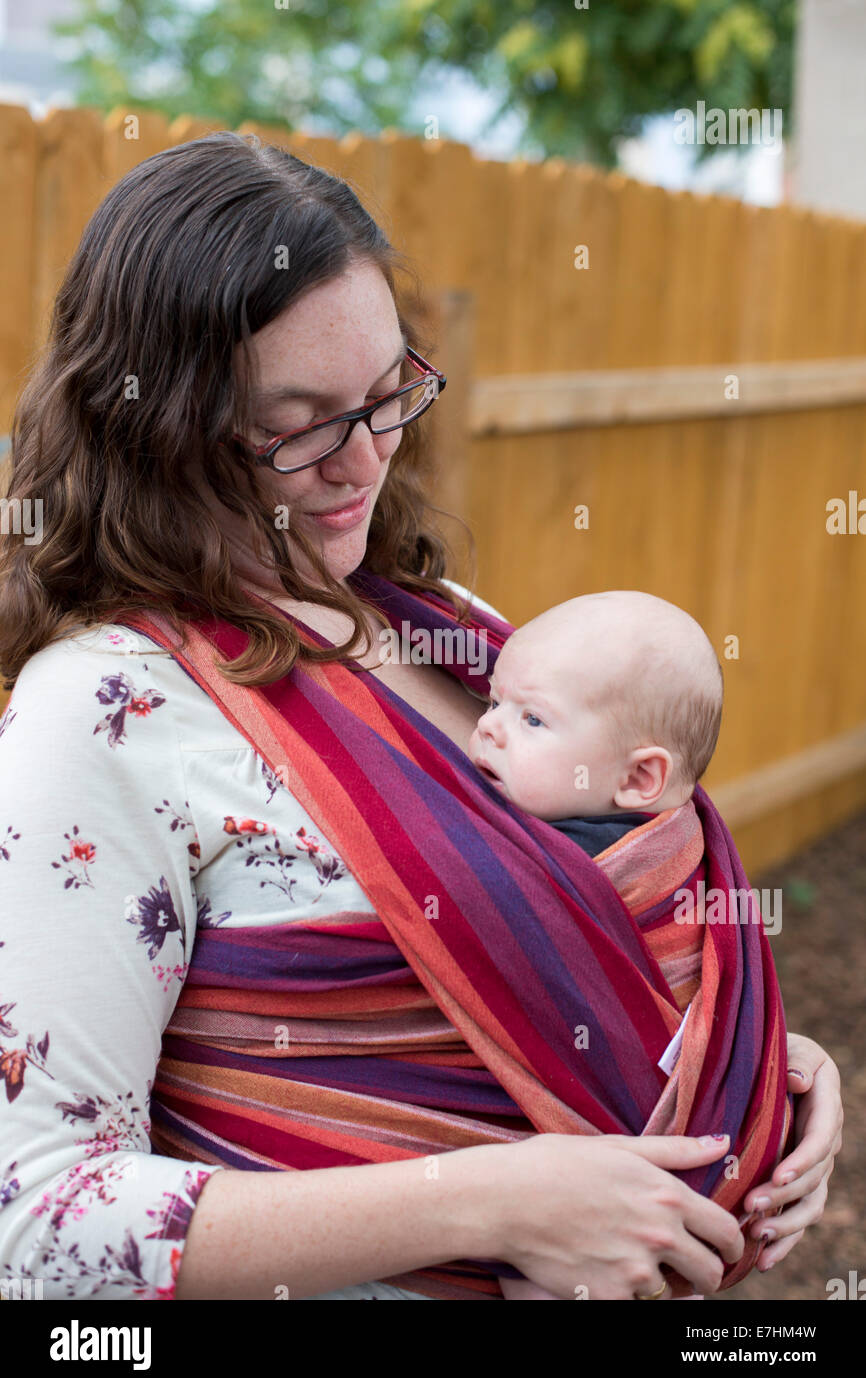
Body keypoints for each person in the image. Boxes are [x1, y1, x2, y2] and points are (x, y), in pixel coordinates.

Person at [0, 132, 842, 1301]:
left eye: (386, 394)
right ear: (157, 423)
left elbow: (576, 954)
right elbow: (40, 1223)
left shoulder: (452, 628)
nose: (362, 463)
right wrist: (496, 1200)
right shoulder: (102, 713)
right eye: (294, 423)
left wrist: (754, 1072)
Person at [465, 590, 785, 1300]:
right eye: (492, 703)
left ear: (640, 779)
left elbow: (713, 985)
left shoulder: (588, 863)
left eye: (532, 718)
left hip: (614, 1164)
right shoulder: (554, 815)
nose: (487, 729)